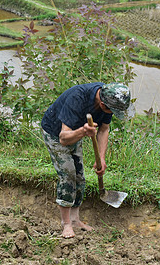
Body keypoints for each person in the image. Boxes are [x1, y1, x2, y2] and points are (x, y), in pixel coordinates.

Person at [41, 82, 135, 238]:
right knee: (68, 174)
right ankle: (66, 224)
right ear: (103, 104)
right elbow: (63, 138)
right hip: (55, 133)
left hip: (76, 132)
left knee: (80, 177)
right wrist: (83, 131)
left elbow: (104, 129)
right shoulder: (77, 98)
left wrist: (102, 158)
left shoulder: (111, 99)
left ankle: (75, 220)